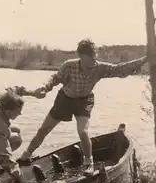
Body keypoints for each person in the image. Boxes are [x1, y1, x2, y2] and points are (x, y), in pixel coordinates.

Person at [20, 39, 148, 175]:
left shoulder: (99, 67)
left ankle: (89, 163)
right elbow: (55, 79)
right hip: (65, 99)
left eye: (94, 56)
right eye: (90, 58)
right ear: (81, 56)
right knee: (44, 129)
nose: (93, 60)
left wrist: (145, 60)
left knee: (83, 131)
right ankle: (25, 156)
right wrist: (45, 88)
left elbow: (120, 69)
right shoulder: (69, 66)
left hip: (84, 101)